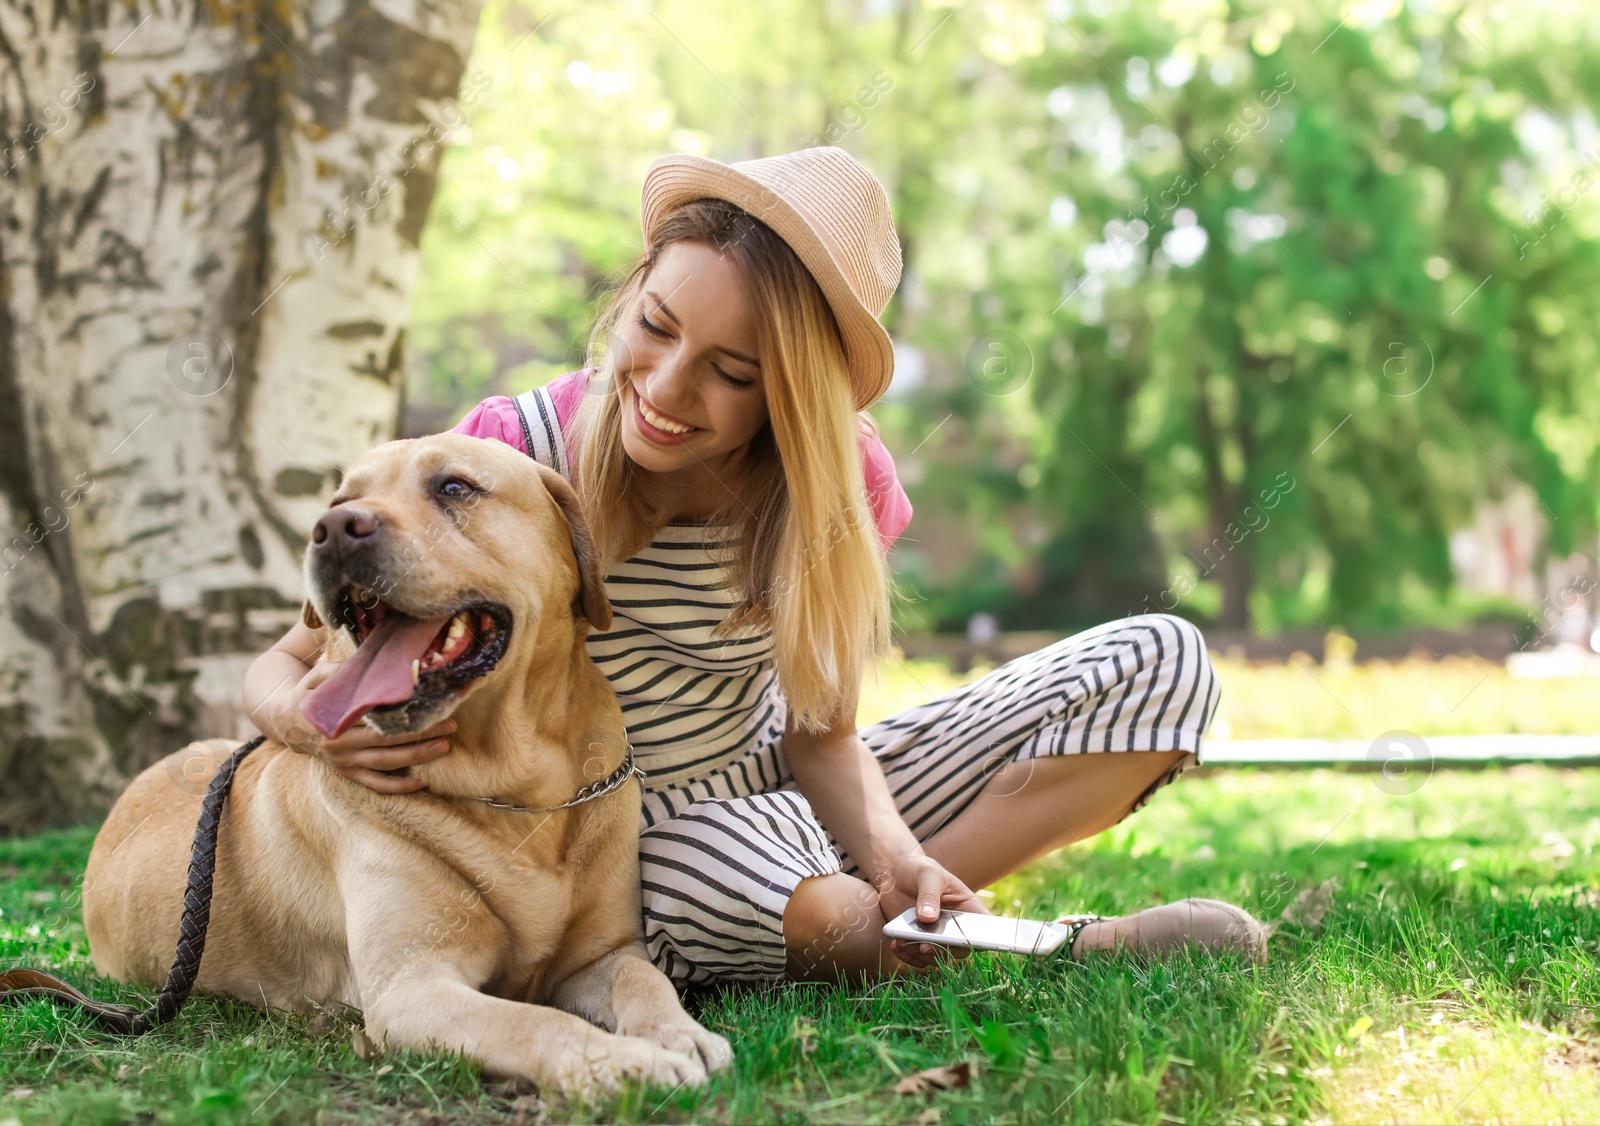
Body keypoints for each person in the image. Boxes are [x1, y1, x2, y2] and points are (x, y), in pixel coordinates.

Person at [242, 147, 1263, 988]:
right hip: (616, 837)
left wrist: (900, 850)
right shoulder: (508, 460)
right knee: (799, 897)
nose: (668, 390)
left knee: (1163, 660)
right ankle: (1059, 947)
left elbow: (822, 740)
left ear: (795, 397)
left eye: (734, 374)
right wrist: (314, 731)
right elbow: (283, 666)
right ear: (634, 292)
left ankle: (905, 909)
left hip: (780, 782)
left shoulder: (838, 484)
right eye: (655, 327)